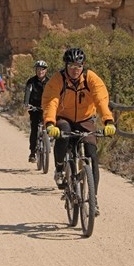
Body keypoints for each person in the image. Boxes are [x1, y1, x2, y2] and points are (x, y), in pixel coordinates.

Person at [42, 47, 116, 216]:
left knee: (92, 154)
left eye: (78, 66)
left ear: (83, 65)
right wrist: (50, 124)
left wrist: (108, 121)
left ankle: (93, 198)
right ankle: (60, 168)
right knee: (63, 132)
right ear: (66, 66)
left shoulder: (91, 78)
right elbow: (50, 102)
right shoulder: (57, 79)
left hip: (85, 119)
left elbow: (101, 99)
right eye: (71, 66)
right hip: (63, 117)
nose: (75, 70)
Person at [24, 60, 49, 163]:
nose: (40, 71)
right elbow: (27, 93)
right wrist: (26, 104)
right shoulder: (31, 81)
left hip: (46, 107)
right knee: (34, 128)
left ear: (46, 70)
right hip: (34, 107)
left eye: (42, 69)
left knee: (48, 124)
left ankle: (47, 140)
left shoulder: (50, 81)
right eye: (38, 69)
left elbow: (54, 94)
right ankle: (32, 153)